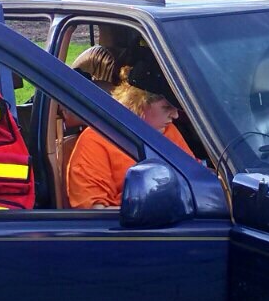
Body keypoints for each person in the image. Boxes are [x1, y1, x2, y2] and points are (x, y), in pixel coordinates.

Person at [66, 58, 194, 209]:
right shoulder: (95, 140)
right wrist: (149, 211)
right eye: (167, 108)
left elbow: (194, 176)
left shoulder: (167, 130)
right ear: (138, 102)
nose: (176, 115)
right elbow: (95, 211)